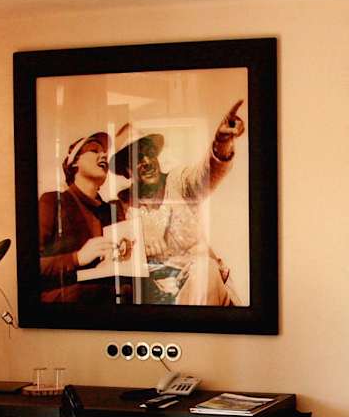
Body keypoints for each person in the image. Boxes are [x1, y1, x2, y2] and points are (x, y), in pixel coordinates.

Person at [110, 100, 248, 305]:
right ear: (126, 170)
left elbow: (205, 174)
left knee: (205, 270)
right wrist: (141, 250)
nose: (146, 161)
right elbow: (116, 254)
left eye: (149, 153)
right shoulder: (122, 206)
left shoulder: (179, 182)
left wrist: (222, 141)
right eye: (137, 158)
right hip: (157, 297)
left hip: (203, 289)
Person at [37, 131, 131, 303]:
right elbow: (29, 266)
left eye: (104, 152)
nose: (104, 155)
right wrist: (77, 258)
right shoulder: (52, 202)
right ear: (74, 163)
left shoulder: (112, 210)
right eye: (94, 150)